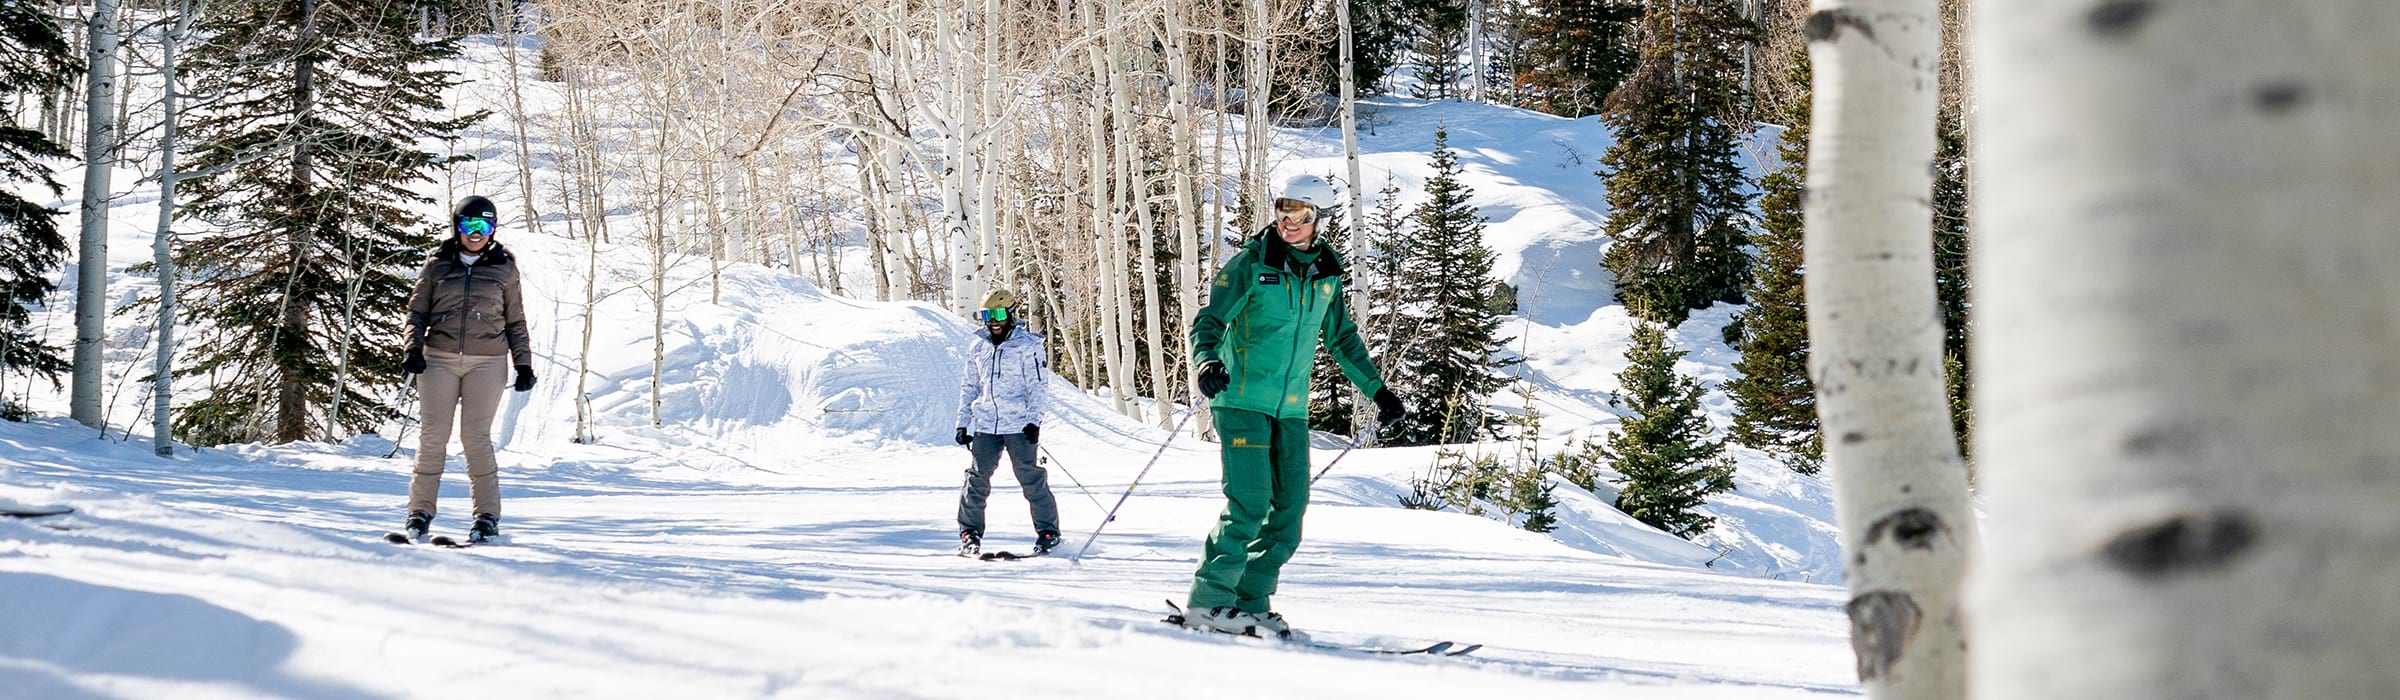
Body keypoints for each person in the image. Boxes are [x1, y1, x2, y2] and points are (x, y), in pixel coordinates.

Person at [1181, 174, 1406, 638]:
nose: (1288, 221)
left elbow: (1341, 338)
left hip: (1291, 409)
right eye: (1283, 209)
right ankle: (1208, 604)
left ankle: (1251, 602)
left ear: (1318, 220)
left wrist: (1378, 391)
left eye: (1300, 214)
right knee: (1249, 502)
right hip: (1241, 398)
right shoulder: (1252, 262)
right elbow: (1209, 320)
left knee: (1289, 510)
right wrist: (1206, 362)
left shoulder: (1327, 272)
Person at [398, 195, 534, 544]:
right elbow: (416, 312)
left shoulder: (504, 269)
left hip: (486, 362)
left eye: (484, 226)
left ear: (493, 229)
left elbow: (515, 320)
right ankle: (420, 512)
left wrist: (523, 364)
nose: (476, 233)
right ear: (457, 226)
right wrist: (412, 348)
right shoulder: (437, 265)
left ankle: (487, 517)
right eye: (468, 225)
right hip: (438, 358)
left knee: (475, 439)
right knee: (433, 436)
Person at [953, 288, 1061, 557]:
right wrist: (963, 423)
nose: (993, 321)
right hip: (986, 424)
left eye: (999, 314)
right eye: (987, 315)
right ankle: (969, 533)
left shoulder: (1027, 345)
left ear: (1012, 313)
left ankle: (1048, 532)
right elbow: (970, 386)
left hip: (1019, 424)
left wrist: (1034, 421)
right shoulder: (977, 346)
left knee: (1030, 477)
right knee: (977, 478)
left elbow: (1038, 386)